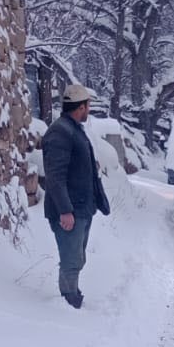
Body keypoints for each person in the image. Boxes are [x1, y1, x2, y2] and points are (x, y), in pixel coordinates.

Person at [42, 84, 110, 309]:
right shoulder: (60, 133)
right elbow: (55, 177)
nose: (89, 110)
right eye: (88, 106)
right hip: (70, 211)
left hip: (80, 208)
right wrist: (65, 210)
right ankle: (68, 301)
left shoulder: (72, 129)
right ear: (80, 107)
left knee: (78, 257)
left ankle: (73, 294)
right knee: (71, 259)